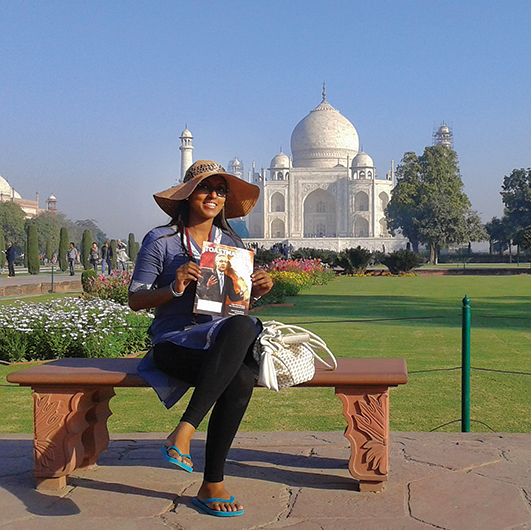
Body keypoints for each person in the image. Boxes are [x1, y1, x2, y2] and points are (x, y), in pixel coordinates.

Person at [129, 160, 272, 517]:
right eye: (206, 188)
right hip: (174, 344)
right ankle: (212, 481)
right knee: (239, 369)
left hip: (217, 339)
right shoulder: (161, 241)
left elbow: (233, 307)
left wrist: (255, 290)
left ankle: (186, 435)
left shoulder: (231, 244)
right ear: (187, 194)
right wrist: (175, 286)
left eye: (221, 191)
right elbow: (136, 299)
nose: (213, 196)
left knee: (243, 331)